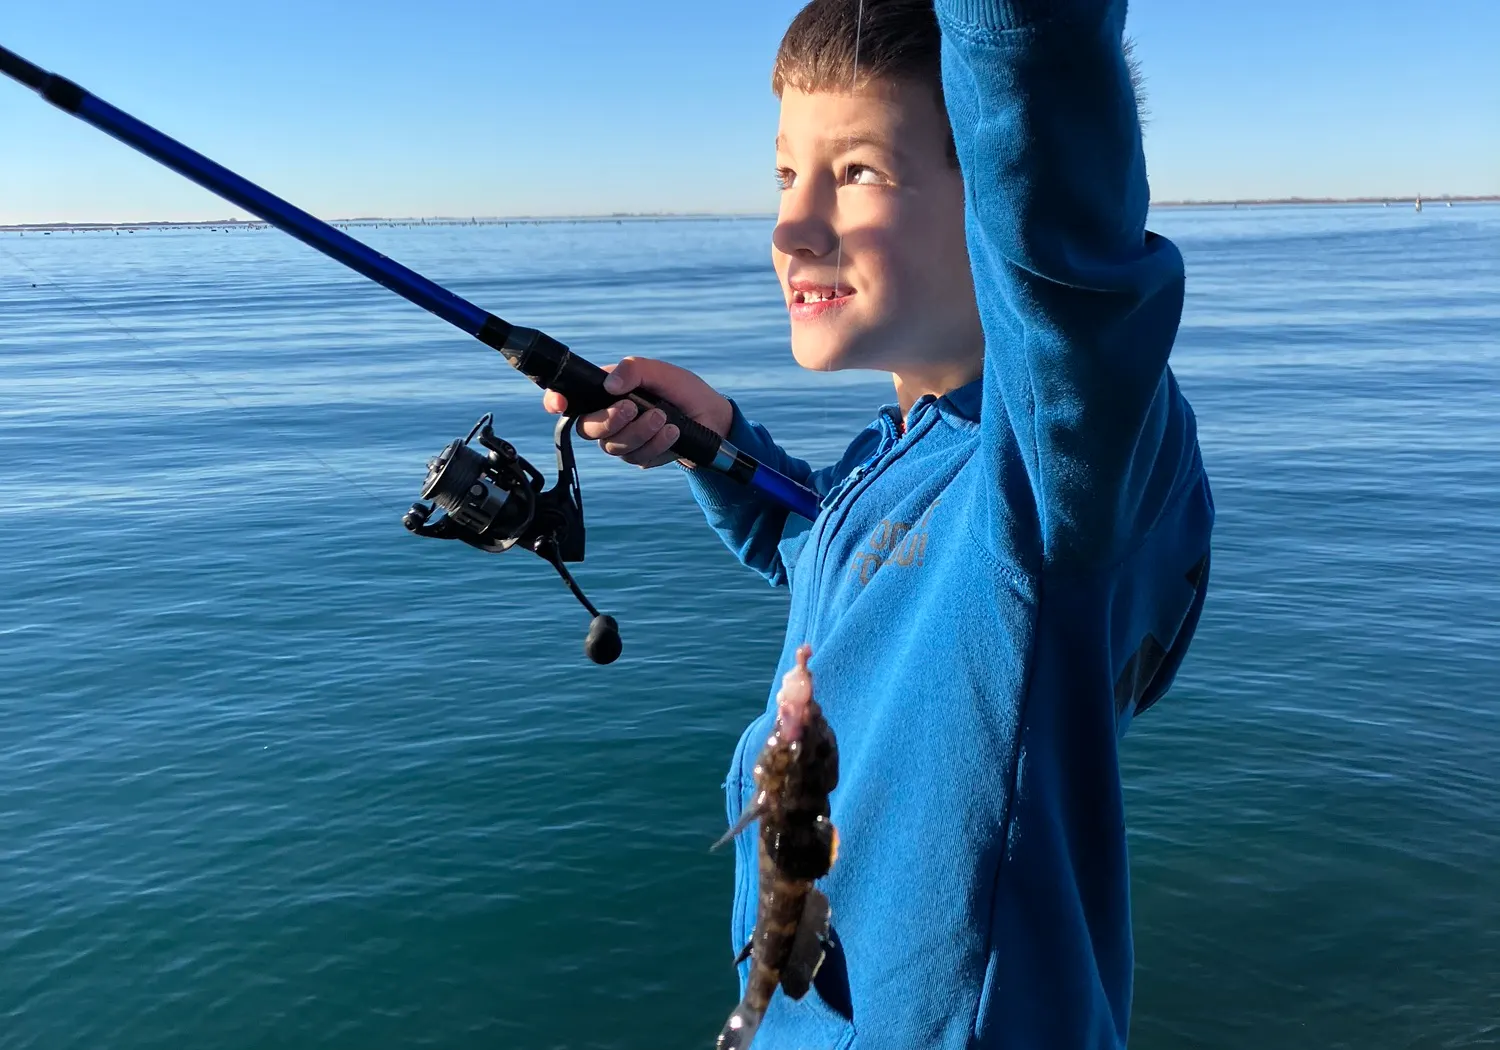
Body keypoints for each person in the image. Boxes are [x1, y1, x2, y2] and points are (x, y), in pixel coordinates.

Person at [544, 0, 1214, 1044]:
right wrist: (715, 445)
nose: (792, 227)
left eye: (856, 171)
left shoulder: (1060, 469)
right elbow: (836, 553)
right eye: (785, 175)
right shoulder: (896, 449)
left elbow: (1062, 206)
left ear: (994, 192)